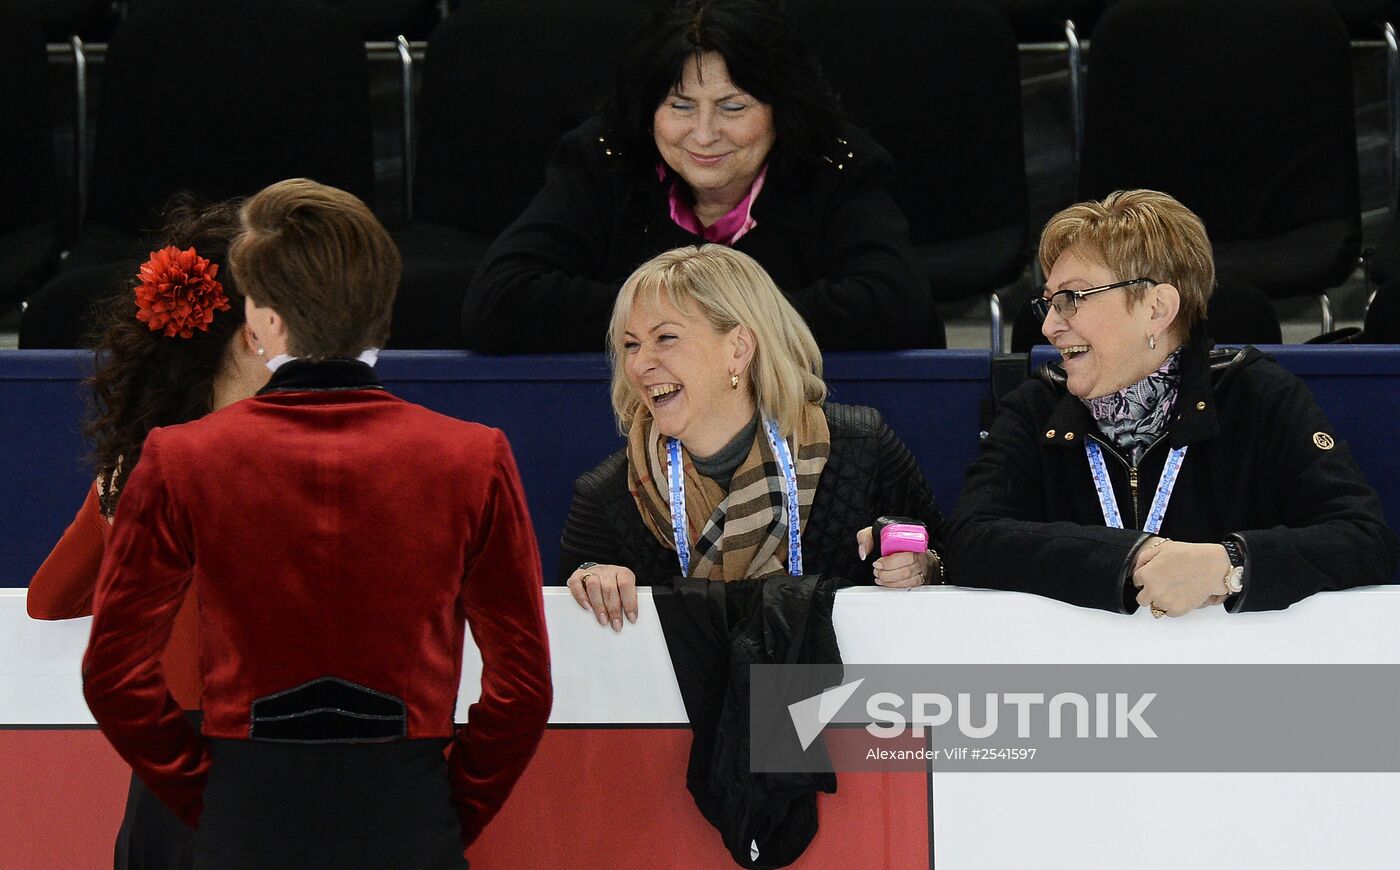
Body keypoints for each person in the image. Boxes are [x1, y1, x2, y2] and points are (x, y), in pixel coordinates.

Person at [81, 178, 553, 868]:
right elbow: (523, 688)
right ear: (382, 314)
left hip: (245, 811)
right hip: (407, 810)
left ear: (264, 320)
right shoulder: (473, 458)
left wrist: (205, 798)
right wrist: (447, 807)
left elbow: (113, 675)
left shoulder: (181, 459)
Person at [946, 189, 1398, 617]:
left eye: (1072, 299)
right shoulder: (1037, 407)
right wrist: (1131, 557)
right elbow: (969, 539)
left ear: (1158, 309)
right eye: (1049, 303)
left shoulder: (1257, 396)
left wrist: (1231, 562)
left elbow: (1363, 539)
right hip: (1085, 689)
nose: (1049, 328)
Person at [462, 0, 940, 354]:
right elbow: (499, 302)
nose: (704, 135)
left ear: (781, 108)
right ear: (649, 109)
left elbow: (896, 305)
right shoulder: (606, 158)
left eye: (733, 107)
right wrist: (712, 321)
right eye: (680, 106)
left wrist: (674, 324)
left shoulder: (833, 162)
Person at [27, 196, 267, 869]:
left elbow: (51, 598)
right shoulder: (297, 461)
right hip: (263, 777)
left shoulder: (136, 467)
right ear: (253, 332)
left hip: (166, 792)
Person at [558, 244, 943, 630]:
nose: (640, 364)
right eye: (631, 345)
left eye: (666, 338)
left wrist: (923, 567)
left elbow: (948, 565)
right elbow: (567, 639)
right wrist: (588, 585)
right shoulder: (606, 497)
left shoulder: (862, 450)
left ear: (739, 348)